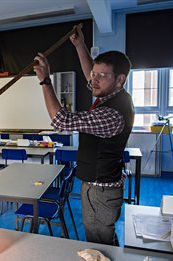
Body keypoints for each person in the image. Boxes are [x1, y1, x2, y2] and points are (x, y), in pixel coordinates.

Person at [33, 26, 134, 246]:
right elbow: (92, 78)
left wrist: (45, 81)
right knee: (101, 241)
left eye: (102, 76)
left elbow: (62, 121)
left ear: (120, 79)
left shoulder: (112, 113)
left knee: (100, 244)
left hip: (101, 192)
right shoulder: (110, 95)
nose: (94, 80)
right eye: (94, 74)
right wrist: (80, 46)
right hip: (98, 187)